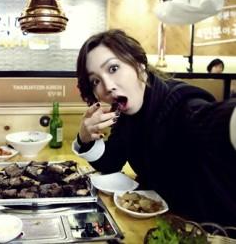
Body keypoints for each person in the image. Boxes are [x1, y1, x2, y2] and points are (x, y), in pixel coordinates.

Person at [73, 29, 236, 225]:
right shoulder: (127, 115)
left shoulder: (183, 106)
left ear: (140, 65)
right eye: (95, 81)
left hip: (209, 230)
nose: (107, 86)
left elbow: (214, 122)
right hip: (157, 222)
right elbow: (111, 162)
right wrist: (84, 138)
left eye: (113, 68)